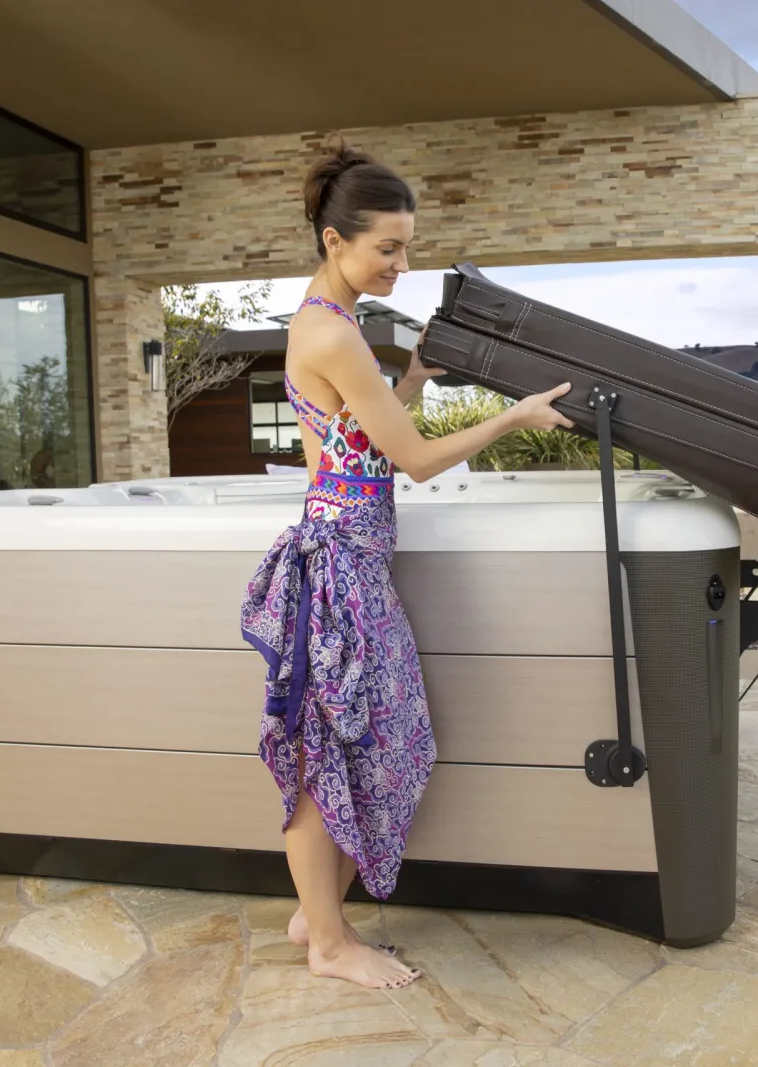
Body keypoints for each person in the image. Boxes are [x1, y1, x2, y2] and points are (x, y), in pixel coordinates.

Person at [239, 141, 574, 989]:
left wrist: (416, 374)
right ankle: (328, 942)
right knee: (333, 750)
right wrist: (516, 418)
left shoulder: (330, 324)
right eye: (387, 247)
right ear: (332, 241)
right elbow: (416, 461)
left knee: (384, 742)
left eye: (407, 247)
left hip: (349, 558)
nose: (401, 263)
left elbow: (367, 441)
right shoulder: (334, 332)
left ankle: (317, 912)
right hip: (341, 566)